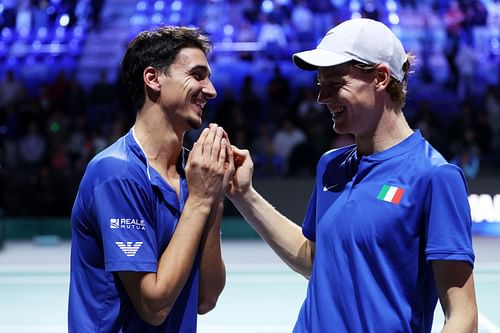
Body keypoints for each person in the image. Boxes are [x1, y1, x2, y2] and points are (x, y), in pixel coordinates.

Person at [226, 18, 477, 332]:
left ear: (381, 78)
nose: (322, 98)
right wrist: (243, 194)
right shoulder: (330, 166)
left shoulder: (435, 177)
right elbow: (314, 260)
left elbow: (462, 315)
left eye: (335, 84)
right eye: (320, 85)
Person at [68, 26, 234, 332]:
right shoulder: (116, 173)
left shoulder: (193, 173)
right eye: (197, 75)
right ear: (153, 79)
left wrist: (214, 198)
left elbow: (206, 299)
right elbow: (153, 305)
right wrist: (200, 200)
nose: (211, 90)